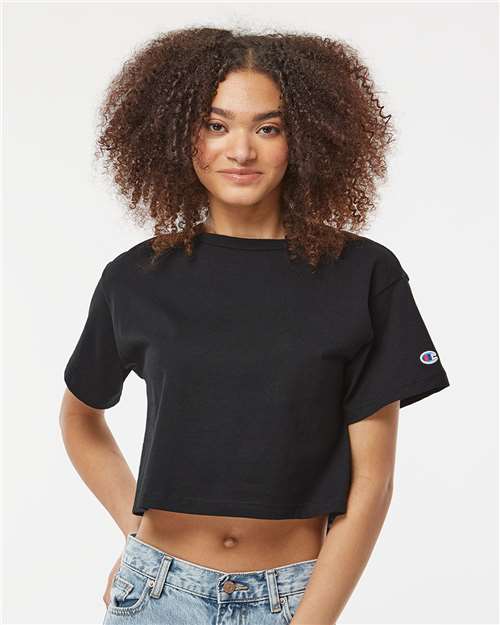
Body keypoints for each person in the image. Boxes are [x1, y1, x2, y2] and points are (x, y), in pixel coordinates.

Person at [59, 27, 450, 625]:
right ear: (178, 135)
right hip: (155, 594)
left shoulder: (363, 275)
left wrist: (311, 620)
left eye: (268, 128)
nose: (241, 151)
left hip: (290, 599)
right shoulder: (137, 277)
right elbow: (80, 417)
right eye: (216, 125)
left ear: (307, 138)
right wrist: (135, 532)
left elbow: (372, 483)